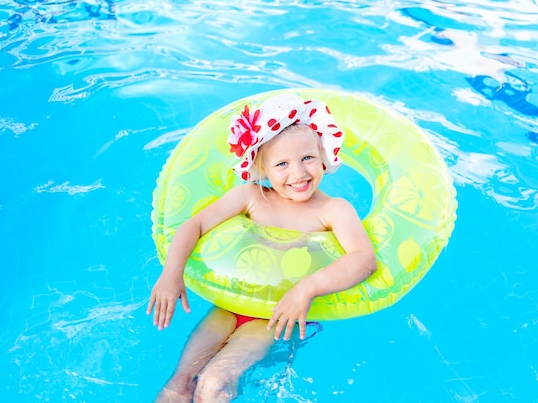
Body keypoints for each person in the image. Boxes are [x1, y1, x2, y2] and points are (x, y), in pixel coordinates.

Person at [147, 93, 377, 403]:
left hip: (273, 316)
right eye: (282, 163)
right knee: (181, 382)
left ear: (323, 154)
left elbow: (364, 260)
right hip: (228, 306)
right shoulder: (252, 197)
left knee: (213, 383)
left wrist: (306, 289)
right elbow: (194, 225)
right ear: (261, 167)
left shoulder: (334, 210)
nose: (298, 173)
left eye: (307, 157)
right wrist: (171, 274)